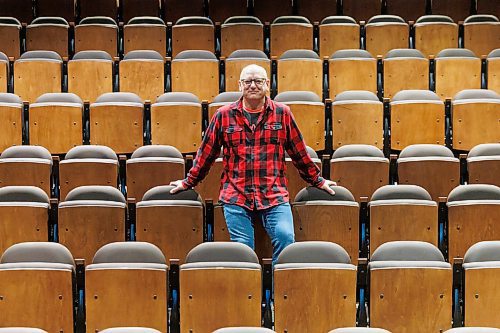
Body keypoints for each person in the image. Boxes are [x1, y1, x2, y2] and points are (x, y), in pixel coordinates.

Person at [170, 64, 336, 263]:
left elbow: (299, 151)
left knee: (286, 240)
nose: (253, 85)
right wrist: (188, 182)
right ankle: (250, 293)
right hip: (236, 195)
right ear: (240, 85)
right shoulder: (223, 115)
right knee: (243, 252)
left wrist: (317, 180)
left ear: (267, 84)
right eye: (248, 81)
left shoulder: (282, 113)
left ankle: (278, 292)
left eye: (258, 81)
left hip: (274, 194)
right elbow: (206, 154)